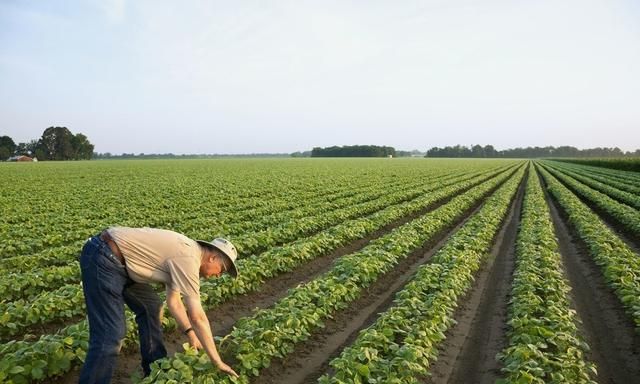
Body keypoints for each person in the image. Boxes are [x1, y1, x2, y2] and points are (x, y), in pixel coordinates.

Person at [77, 226, 239, 383]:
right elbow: (198, 317)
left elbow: (174, 302)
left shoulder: (188, 256)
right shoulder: (189, 258)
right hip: (104, 257)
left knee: (152, 306)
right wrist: (217, 361)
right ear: (213, 258)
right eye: (222, 270)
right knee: (110, 334)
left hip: (123, 263)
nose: (218, 276)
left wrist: (191, 334)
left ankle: (155, 371)